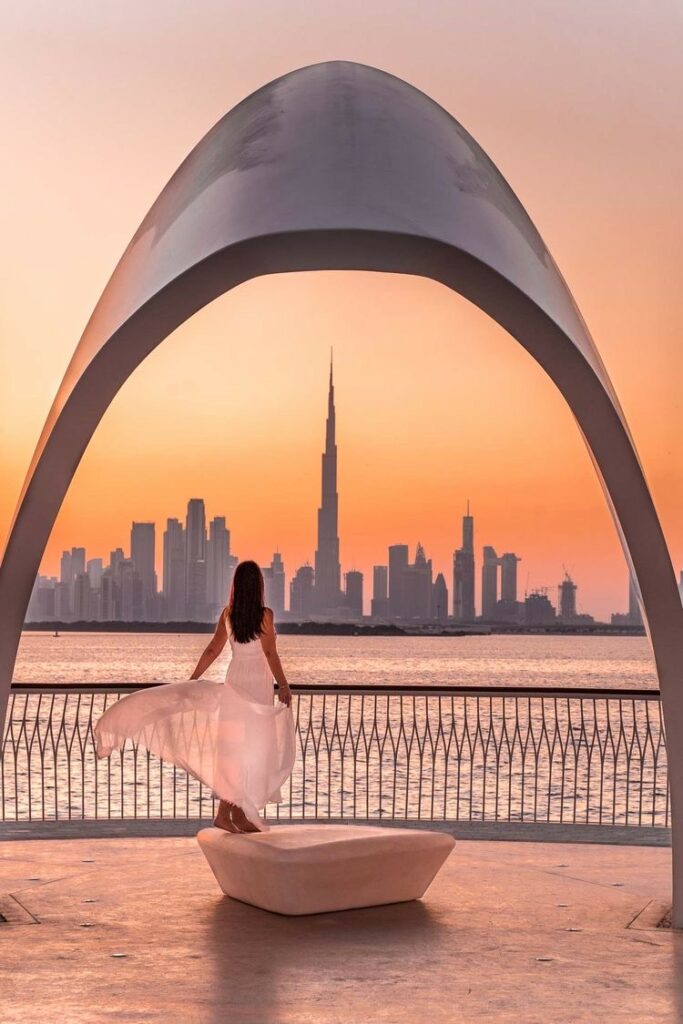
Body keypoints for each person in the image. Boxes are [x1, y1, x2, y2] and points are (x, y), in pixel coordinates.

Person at [94, 560, 296, 833]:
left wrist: (193, 678)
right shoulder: (265, 615)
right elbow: (270, 654)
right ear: (258, 586)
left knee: (234, 752)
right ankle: (225, 815)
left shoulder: (229, 614)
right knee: (246, 752)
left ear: (237, 586)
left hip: (235, 684)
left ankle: (238, 814)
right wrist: (283, 684)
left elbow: (213, 649)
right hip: (257, 687)